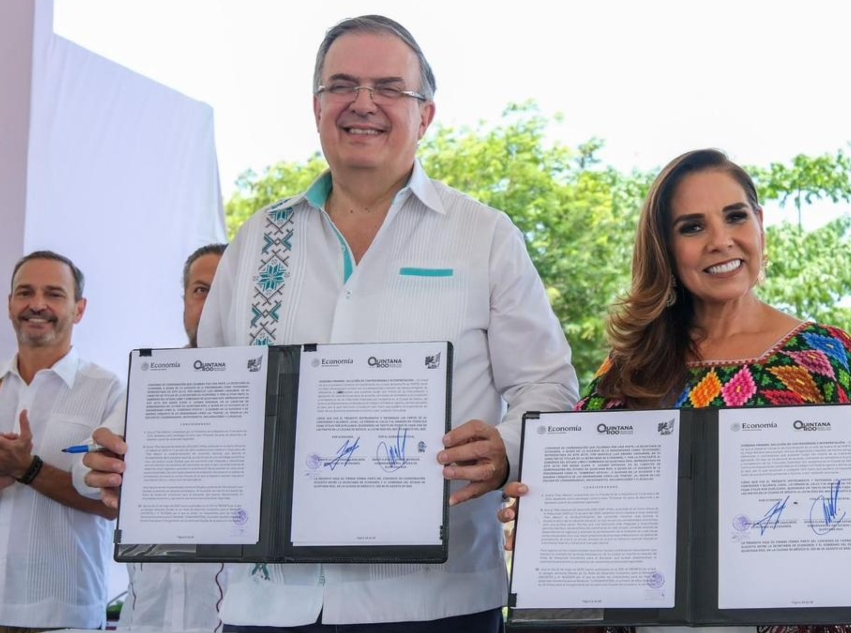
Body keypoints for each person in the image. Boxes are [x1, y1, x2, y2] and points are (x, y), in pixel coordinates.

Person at [84, 14, 578, 632]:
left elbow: (549, 386)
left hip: (436, 601)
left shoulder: (484, 236)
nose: (362, 103)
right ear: (317, 107)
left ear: (425, 115)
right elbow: (200, 389)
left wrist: (505, 450)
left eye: (389, 88)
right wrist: (132, 455)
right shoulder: (259, 238)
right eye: (341, 85)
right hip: (268, 604)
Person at [500, 149, 851, 633]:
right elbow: (580, 490)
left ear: (760, 223)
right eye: (693, 227)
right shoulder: (630, 368)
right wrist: (549, 513)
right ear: (666, 246)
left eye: (735, 216)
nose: (721, 241)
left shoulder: (826, 357)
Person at [0, 250, 121, 631]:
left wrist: (27, 469)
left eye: (54, 294)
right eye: (25, 292)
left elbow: (113, 505)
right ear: (10, 304)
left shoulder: (111, 390)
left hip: (62, 613)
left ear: (79, 309)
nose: (37, 304)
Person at [114, 243, 229, 632]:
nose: (212, 303)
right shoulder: (150, 381)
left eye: (225, 290)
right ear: (184, 300)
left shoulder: (277, 386)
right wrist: (101, 466)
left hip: (231, 620)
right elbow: (87, 471)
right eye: (201, 290)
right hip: (148, 617)